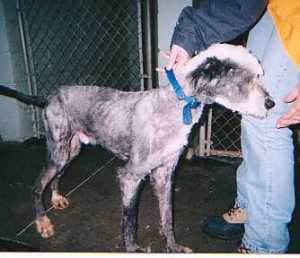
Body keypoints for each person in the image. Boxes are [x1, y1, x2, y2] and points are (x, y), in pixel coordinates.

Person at [167, 0, 300, 253]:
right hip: (275, 7)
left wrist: (190, 31)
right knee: (253, 113)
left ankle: (265, 244)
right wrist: (190, 35)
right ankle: (252, 209)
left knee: (270, 123)